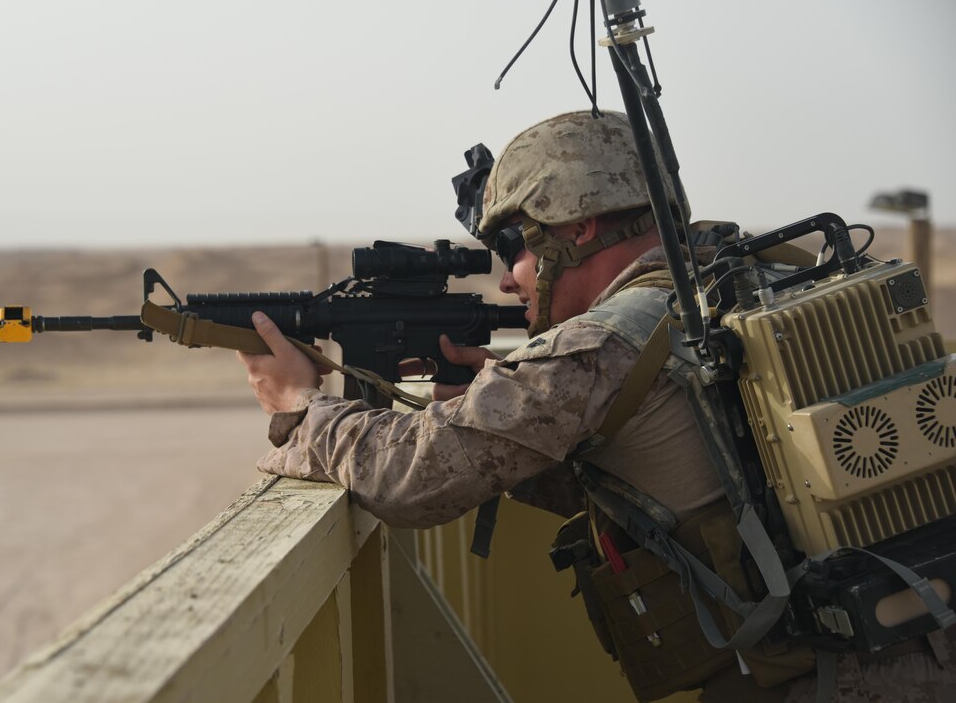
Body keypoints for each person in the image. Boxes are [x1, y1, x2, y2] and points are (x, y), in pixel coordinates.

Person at [235, 110, 954, 702]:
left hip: (829, 678)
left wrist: (303, 404)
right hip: (918, 636)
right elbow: (688, 475)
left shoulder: (599, 345)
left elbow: (410, 480)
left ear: (577, 227)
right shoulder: (738, 285)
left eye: (511, 244)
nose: (510, 279)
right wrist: (497, 407)